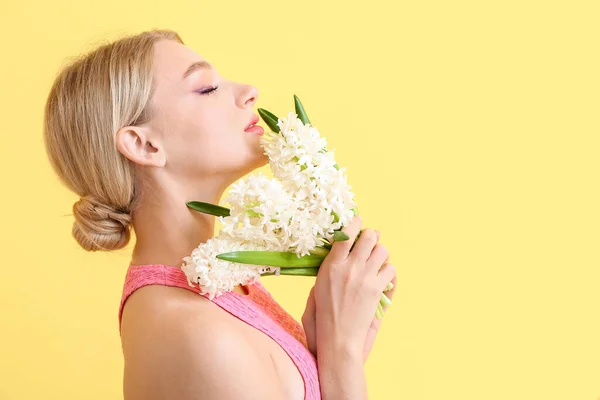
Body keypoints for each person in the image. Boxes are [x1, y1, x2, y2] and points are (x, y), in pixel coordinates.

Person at [43, 28, 397, 400]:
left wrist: (328, 349)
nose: (249, 92)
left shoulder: (213, 286)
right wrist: (342, 355)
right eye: (206, 88)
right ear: (144, 144)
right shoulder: (194, 333)